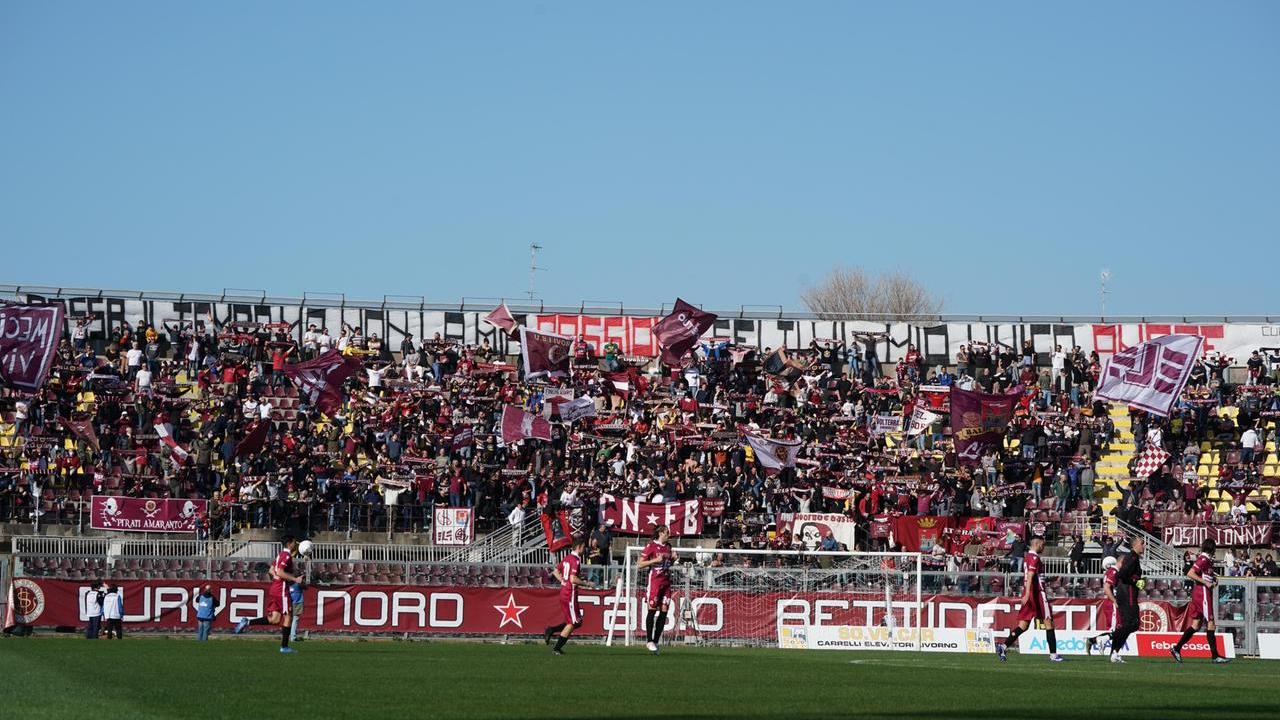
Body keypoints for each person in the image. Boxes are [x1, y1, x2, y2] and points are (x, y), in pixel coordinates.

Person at [995, 536, 1062, 662]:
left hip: (1029, 592)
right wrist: (1027, 594)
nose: (1043, 547)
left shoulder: (1027, 558)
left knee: (1023, 626)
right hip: (1037, 593)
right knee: (1049, 622)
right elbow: (1030, 575)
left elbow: (1033, 576)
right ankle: (1054, 655)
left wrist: (1046, 580)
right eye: (1042, 544)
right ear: (1036, 544)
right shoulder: (1035, 557)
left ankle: (1003, 646)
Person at [234, 535, 303, 653]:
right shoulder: (286, 556)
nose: (295, 544)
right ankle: (284, 647)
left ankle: (247, 622)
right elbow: (280, 572)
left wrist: (279, 577)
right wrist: (294, 579)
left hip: (275, 588)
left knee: (275, 620)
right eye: (294, 542)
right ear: (289, 543)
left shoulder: (281, 554)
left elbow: (272, 570)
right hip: (281, 590)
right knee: (288, 617)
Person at [1171, 539, 1230, 663]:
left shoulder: (1207, 560)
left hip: (1200, 592)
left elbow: (1205, 575)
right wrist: (1206, 583)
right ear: (1212, 548)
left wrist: (1213, 579)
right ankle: (1215, 656)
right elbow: (1191, 573)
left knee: (1196, 624)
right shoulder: (1203, 559)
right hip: (1202, 593)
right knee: (1211, 623)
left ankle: (1176, 648)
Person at [544, 536, 598, 656]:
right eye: (583, 547)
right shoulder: (576, 560)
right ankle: (556, 648)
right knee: (574, 622)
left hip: (565, 592)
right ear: (578, 547)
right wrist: (587, 584)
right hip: (570, 594)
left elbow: (555, 571)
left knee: (576, 622)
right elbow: (573, 579)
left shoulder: (567, 558)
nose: (584, 549)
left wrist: (563, 581)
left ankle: (551, 630)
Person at [636, 525, 676, 654]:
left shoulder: (668, 547)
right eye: (667, 533)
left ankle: (656, 642)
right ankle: (649, 641)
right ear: (660, 533)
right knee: (652, 610)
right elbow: (640, 564)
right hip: (655, 583)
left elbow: (667, 564)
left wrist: (674, 560)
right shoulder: (651, 546)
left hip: (666, 583)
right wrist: (655, 560)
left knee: (664, 611)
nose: (669, 535)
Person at [1108, 537, 1145, 664]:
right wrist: (1135, 581)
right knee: (1133, 623)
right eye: (1142, 543)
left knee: (1129, 625)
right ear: (1135, 545)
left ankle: (1114, 653)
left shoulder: (1133, 557)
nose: (1144, 546)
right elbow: (1122, 574)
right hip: (1127, 593)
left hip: (1126, 593)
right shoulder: (1132, 557)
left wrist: (1139, 581)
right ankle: (1106, 638)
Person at [1086, 556, 1118, 656]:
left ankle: (1092, 640)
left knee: (1118, 629)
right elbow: (1108, 588)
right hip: (1112, 602)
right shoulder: (1113, 572)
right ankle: (1100, 640)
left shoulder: (1108, 572)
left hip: (1110, 602)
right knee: (1117, 630)